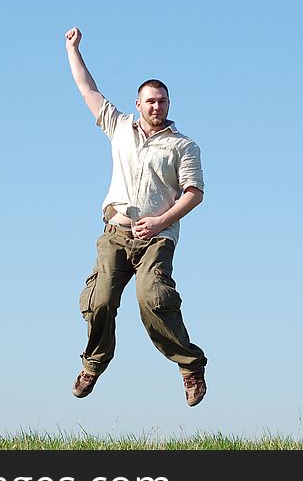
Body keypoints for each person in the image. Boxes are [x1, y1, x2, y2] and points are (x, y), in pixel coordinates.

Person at [64, 26, 209, 407]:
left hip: (156, 238)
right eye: (149, 101)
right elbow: (88, 90)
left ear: (168, 104)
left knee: (153, 298)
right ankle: (94, 363)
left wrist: (162, 222)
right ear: (139, 103)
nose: (156, 106)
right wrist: (73, 49)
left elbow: (194, 193)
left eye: (162, 101)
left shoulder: (184, 146)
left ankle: (190, 365)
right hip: (116, 232)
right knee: (98, 300)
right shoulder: (119, 127)